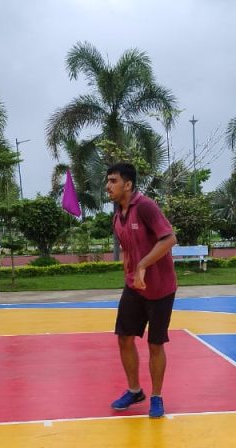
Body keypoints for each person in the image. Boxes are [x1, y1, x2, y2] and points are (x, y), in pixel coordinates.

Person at [105, 162, 178, 419]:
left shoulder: (145, 206)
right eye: (108, 181)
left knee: (155, 344)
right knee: (124, 337)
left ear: (128, 184)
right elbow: (127, 248)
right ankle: (135, 390)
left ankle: (156, 397)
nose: (108, 186)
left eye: (113, 181)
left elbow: (170, 239)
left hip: (161, 289)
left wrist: (143, 265)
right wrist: (131, 272)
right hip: (134, 287)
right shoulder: (117, 217)